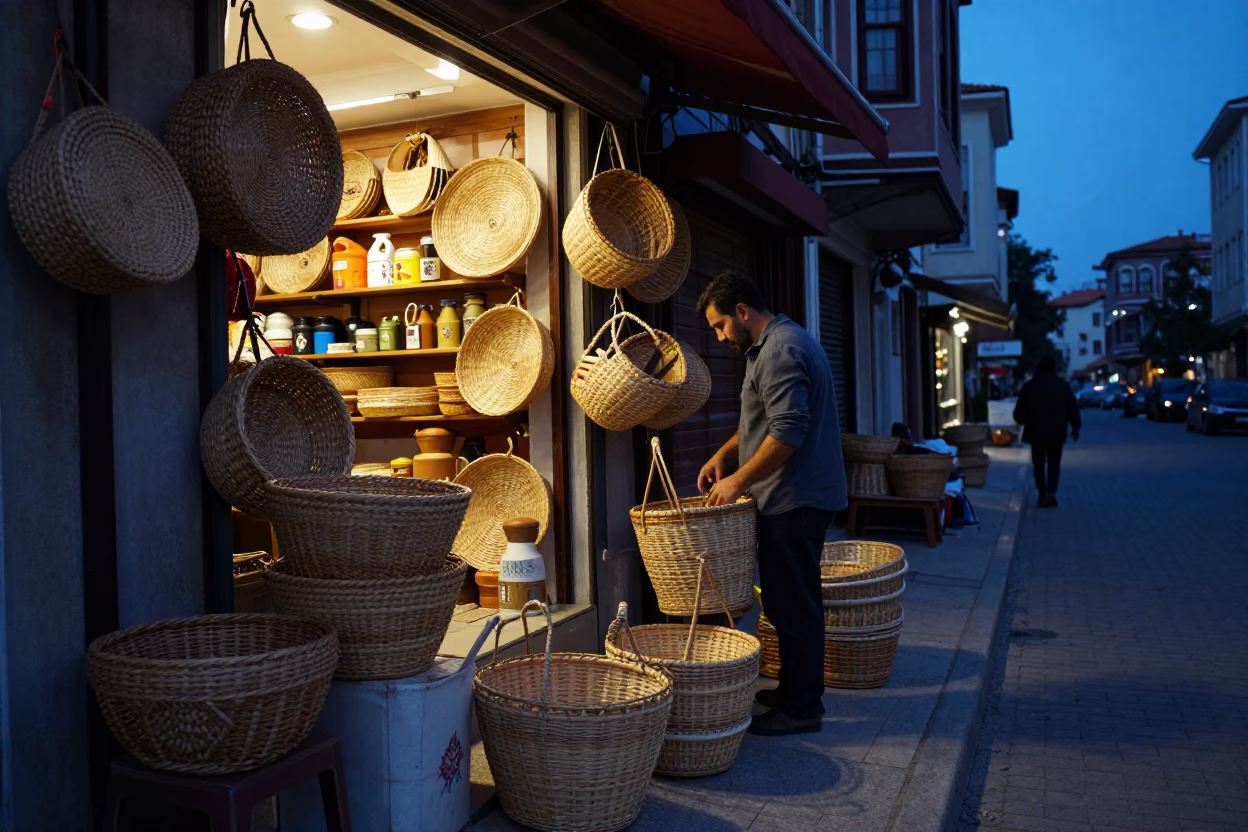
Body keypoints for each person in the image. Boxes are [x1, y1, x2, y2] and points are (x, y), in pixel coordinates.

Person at [695, 270, 846, 737]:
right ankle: (794, 693)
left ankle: (802, 709)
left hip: (794, 500)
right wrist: (725, 454)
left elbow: (787, 432)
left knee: (795, 606)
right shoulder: (773, 344)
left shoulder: (779, 351)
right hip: (792, 498)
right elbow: (762, 423)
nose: (720, 337)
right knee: (786, 602)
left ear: (742, 312)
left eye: (720, 325)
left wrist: (738, 480)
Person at [1013, 355, 1080, 507]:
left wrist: (1022, 421)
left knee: (1038, 464)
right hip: (1057, 433)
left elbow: (1019, 413)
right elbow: (1072, 409)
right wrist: (1075, 428)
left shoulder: (1029, 386)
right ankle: (1051, 493)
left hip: (1036, 433)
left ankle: (1042, 493)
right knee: (1054, 464)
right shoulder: (1062, 385)